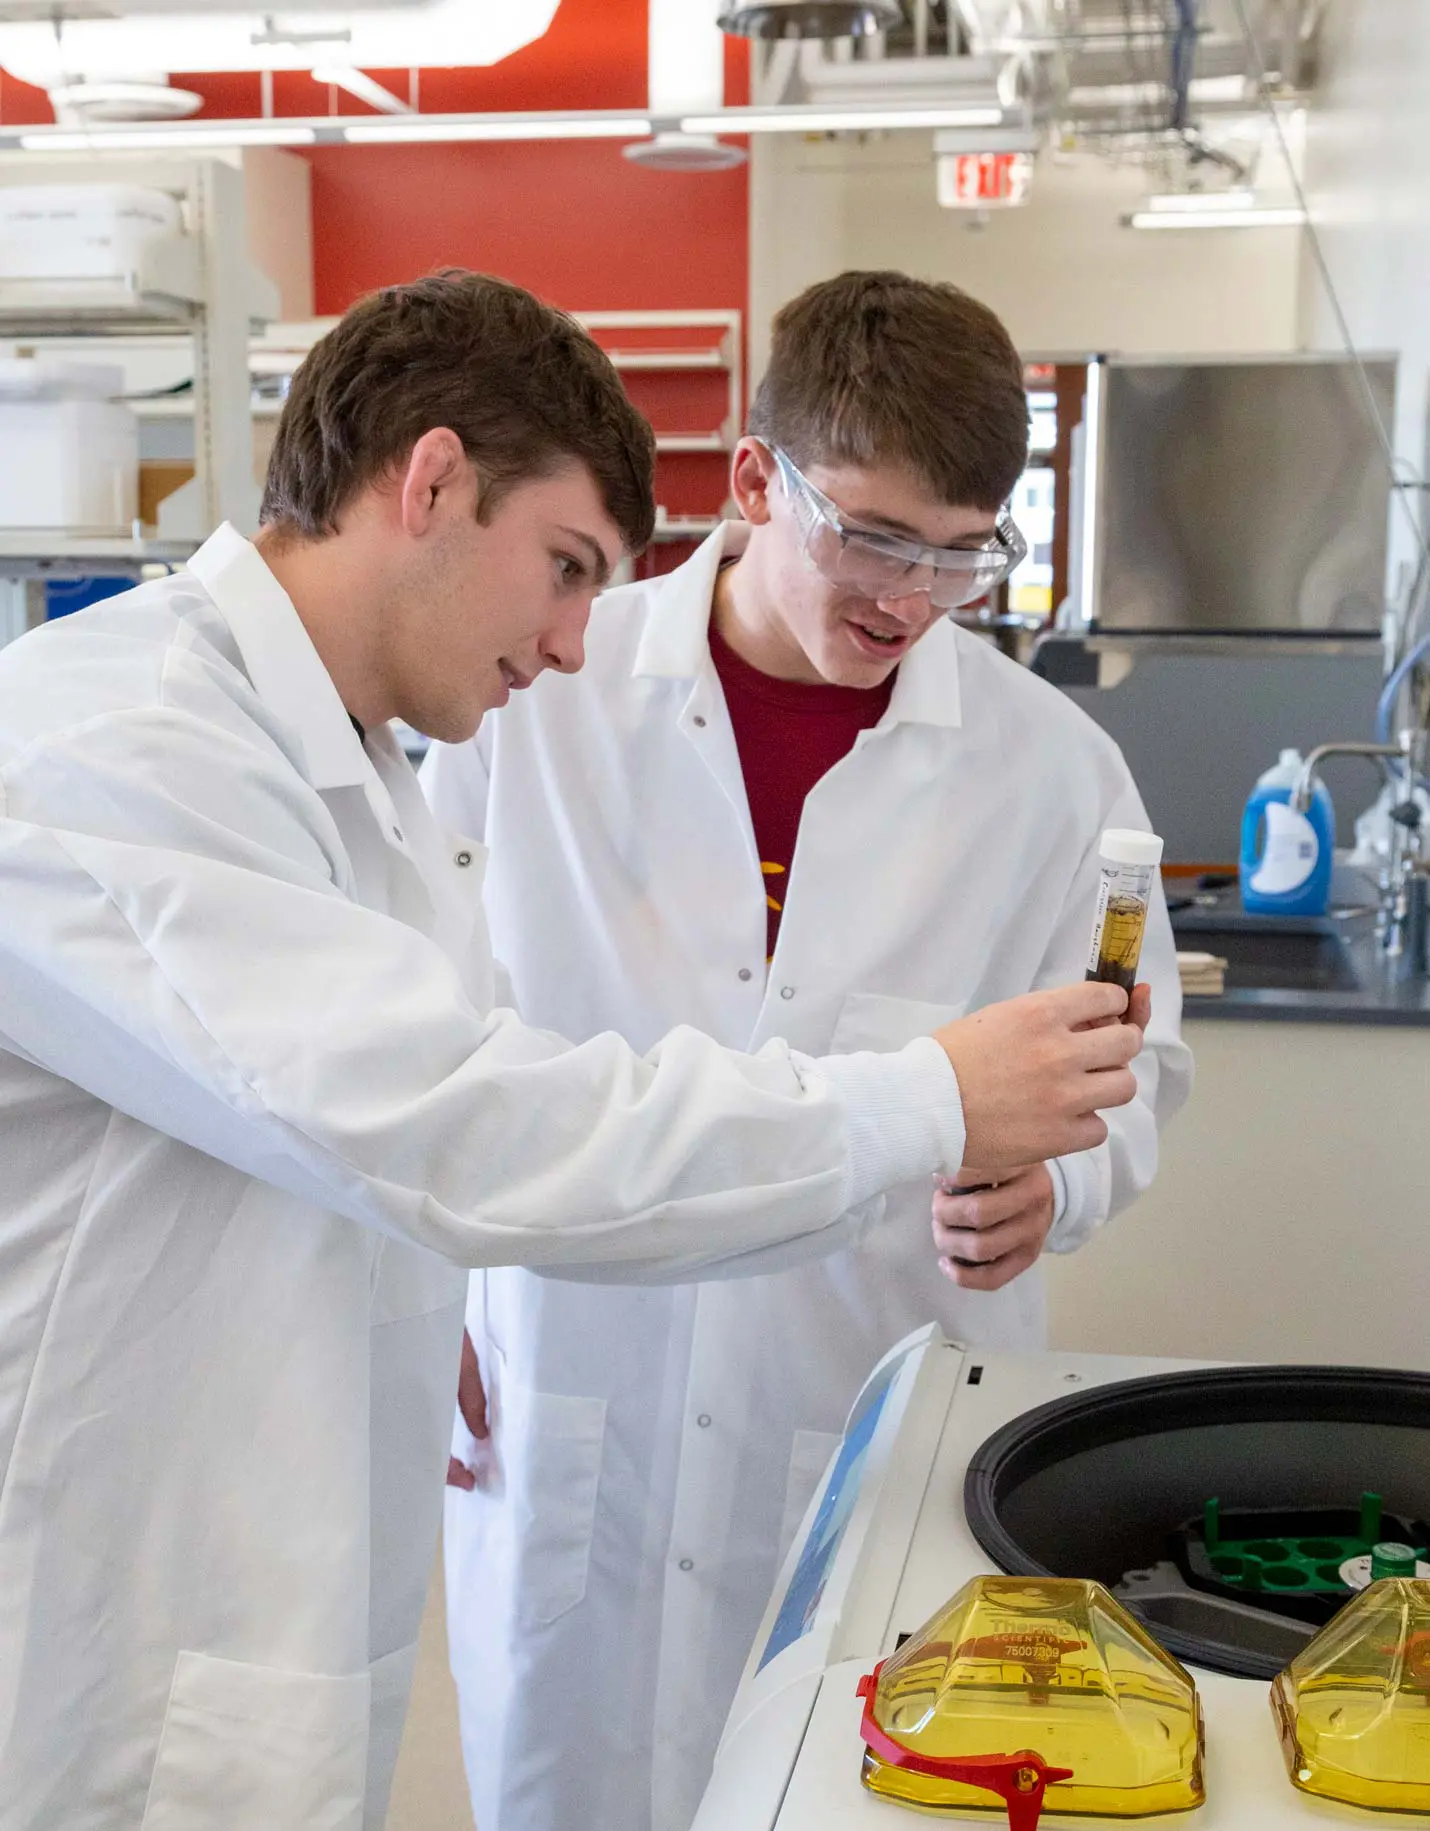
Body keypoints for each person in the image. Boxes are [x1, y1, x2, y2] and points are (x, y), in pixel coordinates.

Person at [0, 270, 1144, 1831]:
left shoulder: (349, 775)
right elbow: (465, 1124)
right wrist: (930, 1094)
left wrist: (1045, 1174)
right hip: (119, 1611)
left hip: (323, 1535)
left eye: (956, 555)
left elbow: (406, 1125)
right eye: (560, 568)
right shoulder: (114, 753)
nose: (564, 641)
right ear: (433, 482)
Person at [427, 270, 1192, 1831]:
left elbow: (1135, 1058)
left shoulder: (1047, 773)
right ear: (756, 478)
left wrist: (1066, 1183)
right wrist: (399, 1267)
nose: (907, 595)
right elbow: (408, 1020)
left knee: (840, 1792)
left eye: (959, 552)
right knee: (559, 1786)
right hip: (577, 1385)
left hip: (864, 1404)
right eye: (870, 534)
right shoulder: (538, 698)